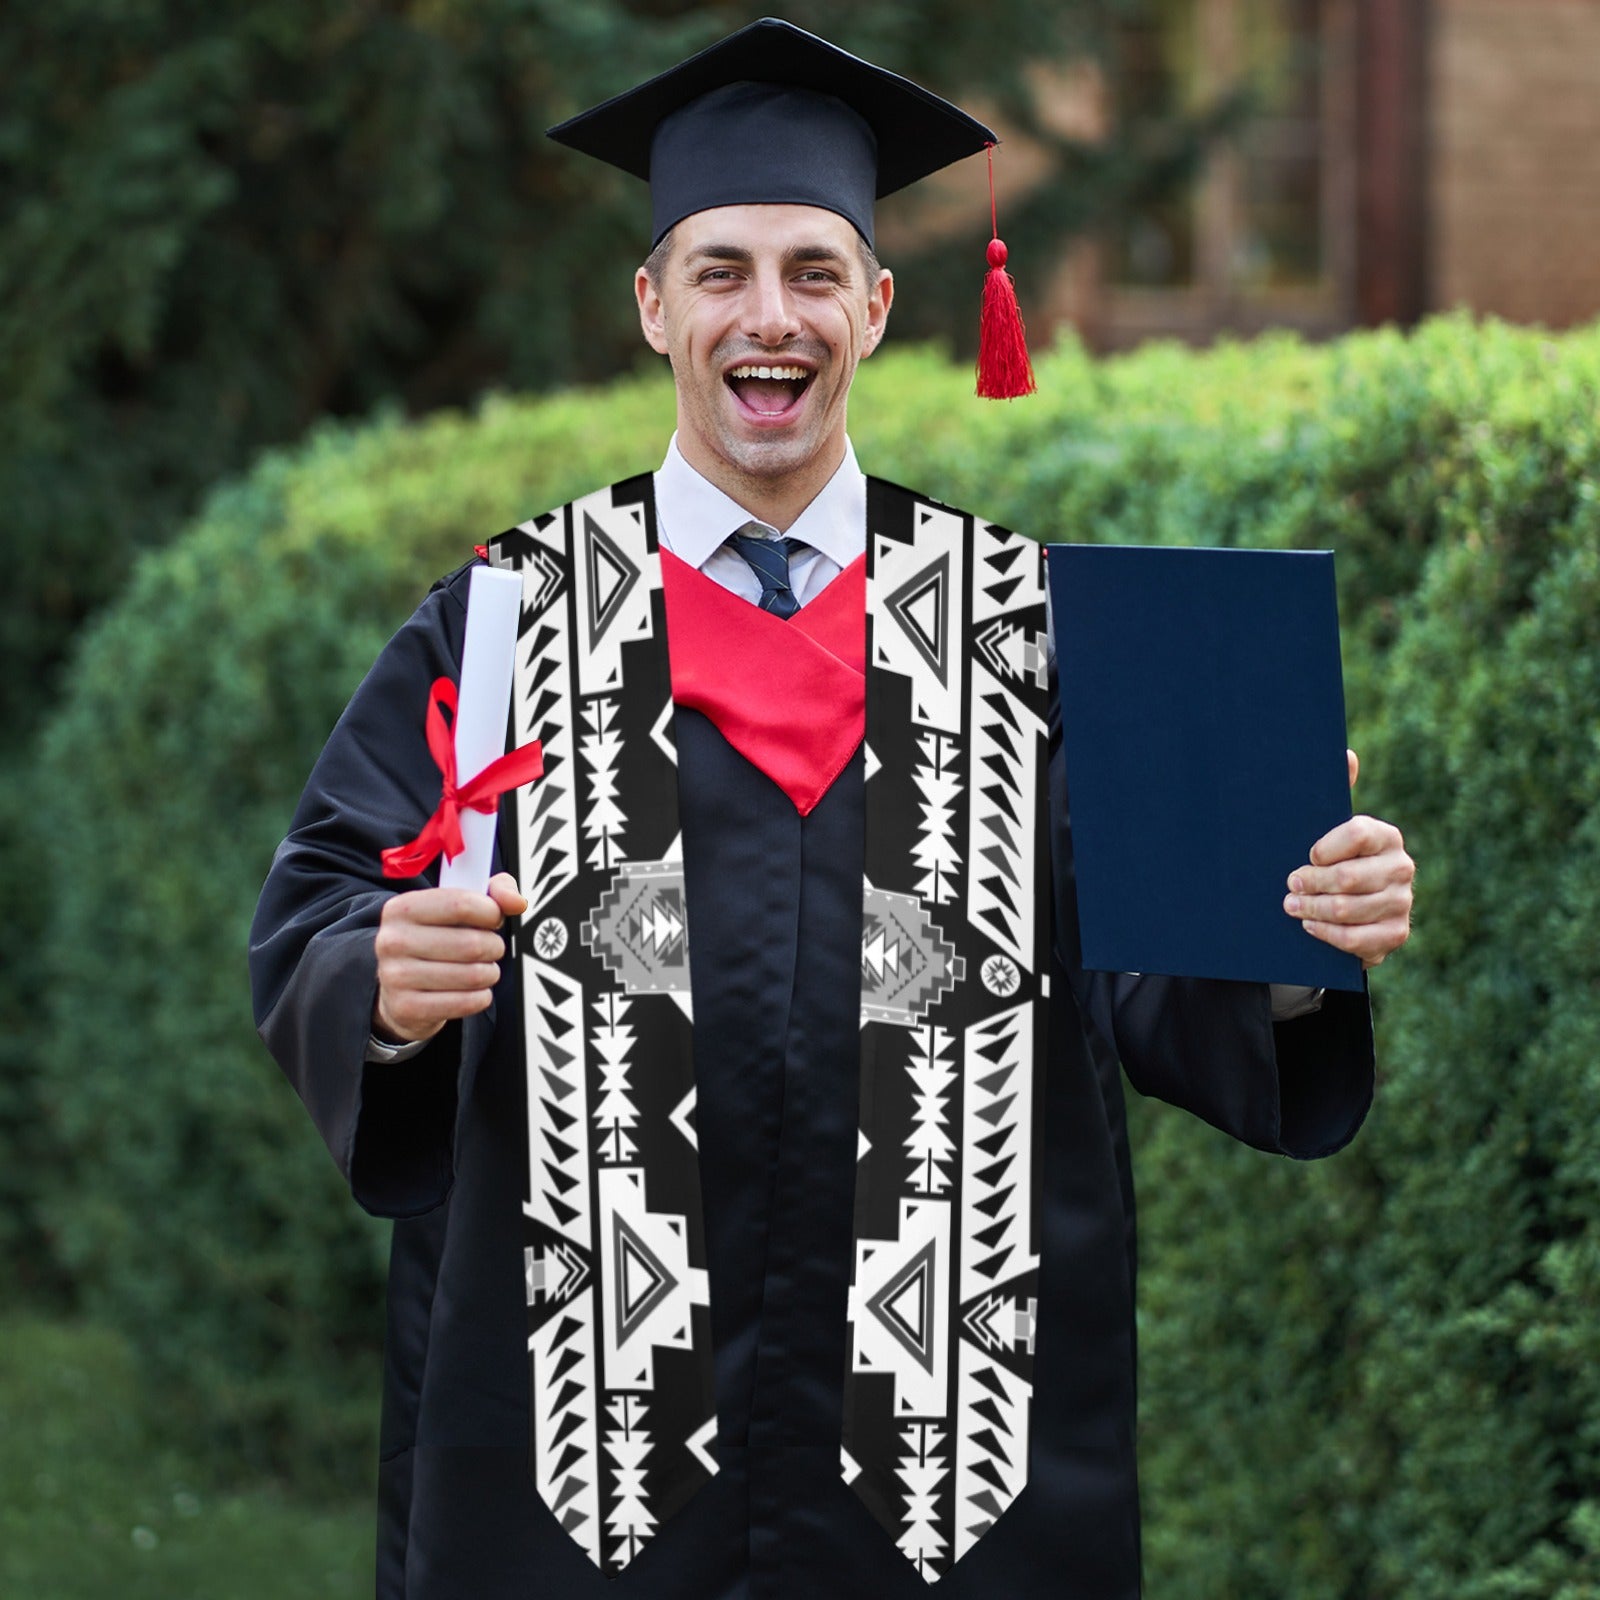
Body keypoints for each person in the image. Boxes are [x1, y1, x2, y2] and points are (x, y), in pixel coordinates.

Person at [249, 19, 1414, 1600]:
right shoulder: (508, 623)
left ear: (876, 305)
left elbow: (1153, 979)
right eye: (721, 270)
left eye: (812, 271)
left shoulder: (1032, 631)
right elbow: (326, 901)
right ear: (654, 306)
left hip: (954, 1461)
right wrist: (379, 985)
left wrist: (1293, 931)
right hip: (587, 1461)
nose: (768, 317)